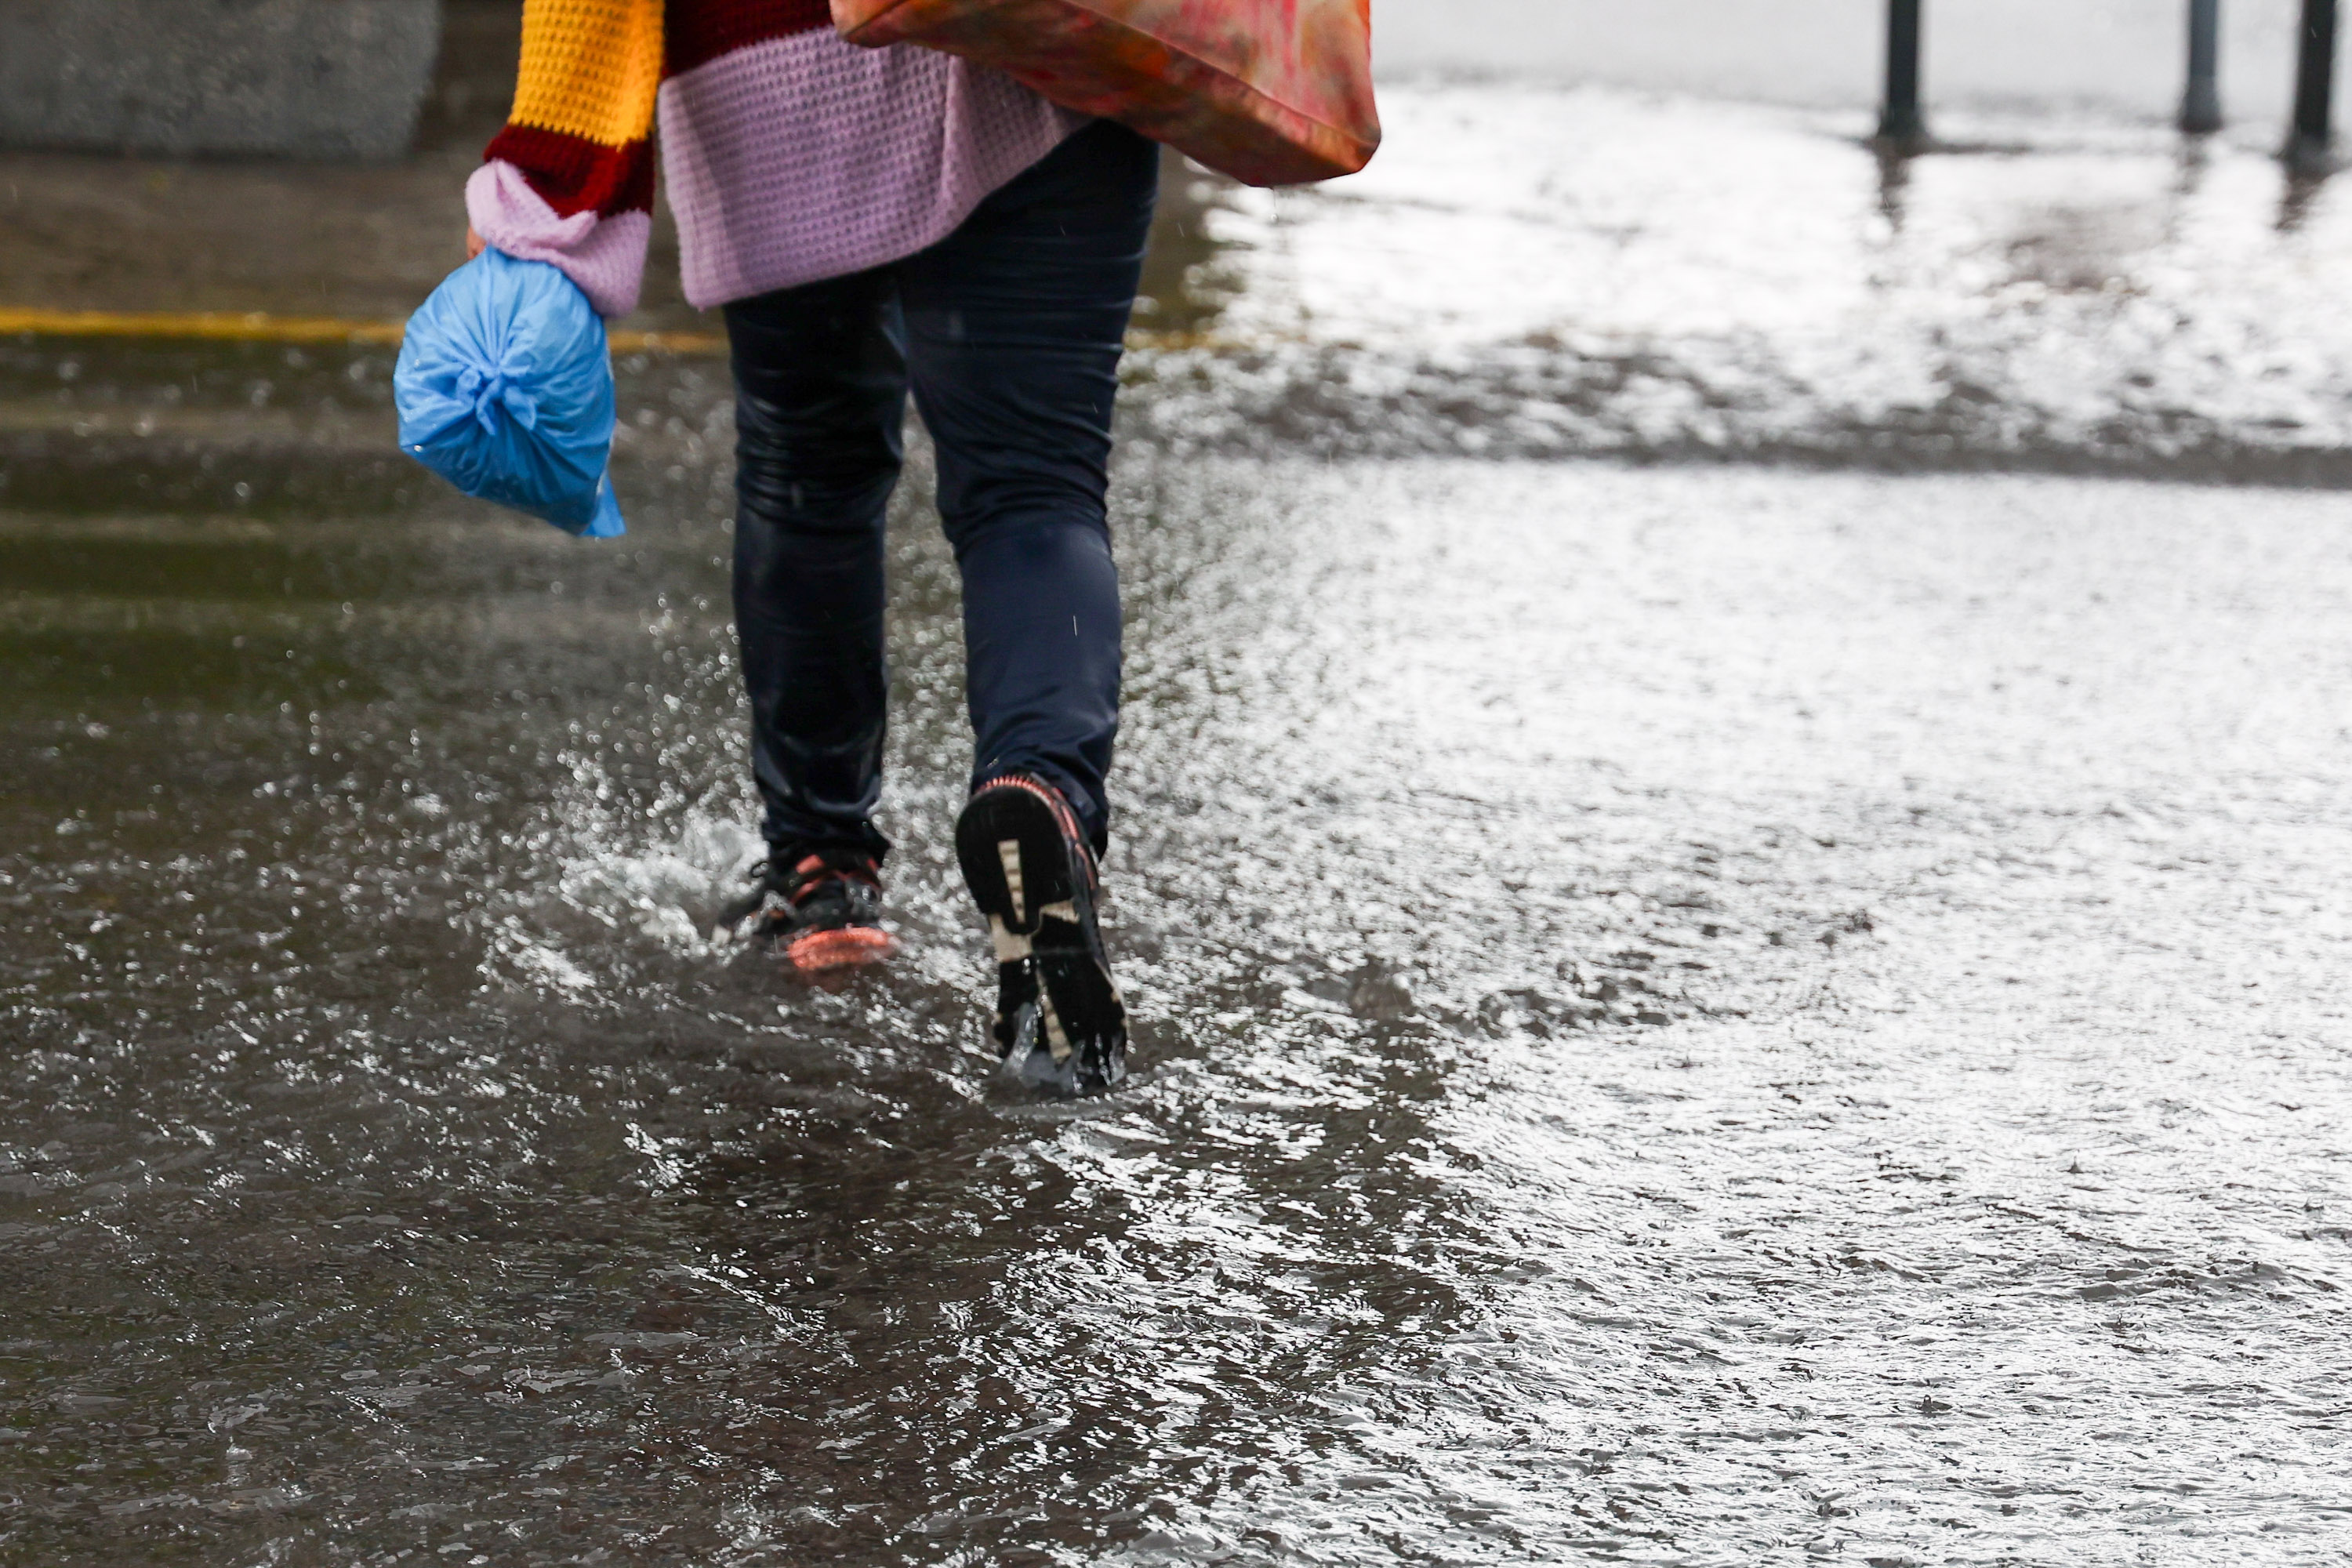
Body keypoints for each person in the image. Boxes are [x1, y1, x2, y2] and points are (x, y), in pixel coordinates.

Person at [465, 0, 1146, 1091]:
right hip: (1034, 47)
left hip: (771, 73)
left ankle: (822, 872)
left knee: (808, 474)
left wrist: (548, 185)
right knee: (1035, 488)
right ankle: (1042, 798)